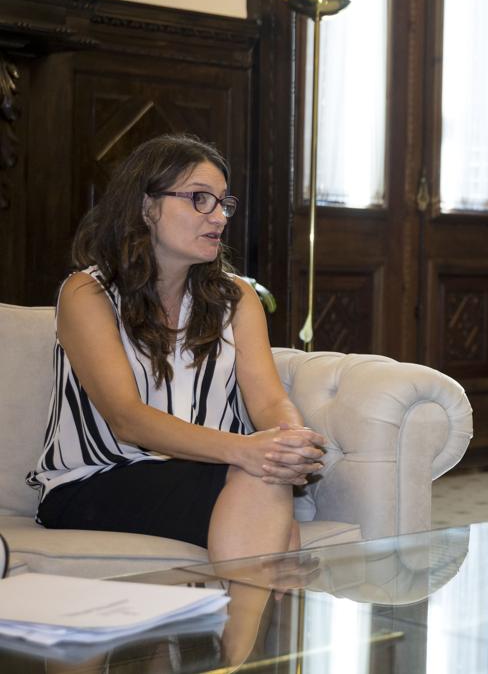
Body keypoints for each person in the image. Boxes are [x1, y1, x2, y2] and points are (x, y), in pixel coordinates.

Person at [25, 133, 326, 663]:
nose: (219, 215)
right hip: (97, 481)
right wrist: (245, 452)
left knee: (263, 478)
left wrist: (287, 439)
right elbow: (127, 420)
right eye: (198, 198)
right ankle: (239, 658)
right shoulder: (88, 294)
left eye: (224, 202)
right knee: (262, 493)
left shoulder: (235, 299)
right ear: (146, 206)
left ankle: (231, 655)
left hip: (206, 475)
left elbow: (269, 399)